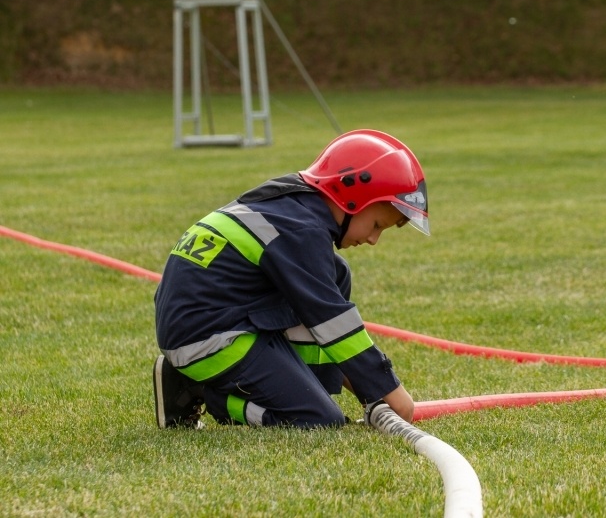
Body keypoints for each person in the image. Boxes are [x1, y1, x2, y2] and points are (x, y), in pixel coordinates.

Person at [152, 129, 429, 429]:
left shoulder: (293, 205)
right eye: (376, 225)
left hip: (212, 318)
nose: (374, 239)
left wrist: (370, 392)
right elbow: (332, 320)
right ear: (352, 200)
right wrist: (388, 390)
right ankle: (198, 390)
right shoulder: (300, 232)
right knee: (318, 421)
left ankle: (311, 390)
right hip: (206, 336)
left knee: (336, 273)